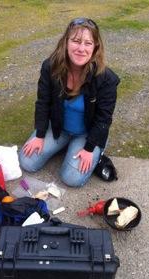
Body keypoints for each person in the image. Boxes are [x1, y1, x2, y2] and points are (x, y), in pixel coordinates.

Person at [19, 17, 120, 187]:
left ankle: (95, 150)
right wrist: (40, 134)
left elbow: (104, 120)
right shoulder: (50, 67)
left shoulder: (106, 79)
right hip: (60, 128)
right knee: (27, 162)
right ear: (66, 42)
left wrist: (89, 149)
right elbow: (42, 102)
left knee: (71, 179)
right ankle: (66, 144)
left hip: (87, 133)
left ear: (95, 47)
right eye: (76, 41)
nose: (81, 48)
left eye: (88, 43)